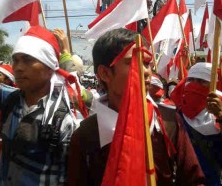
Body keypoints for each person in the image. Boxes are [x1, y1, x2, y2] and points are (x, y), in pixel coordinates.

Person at [68, 28, 205, 186]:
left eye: (147, 63)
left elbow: (193, 180)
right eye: (133, 62)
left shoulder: (166, 123)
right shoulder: (86, 135)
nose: (147, 72)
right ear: (105, 73)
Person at [0, 25, 85, 186]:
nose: (18, 67)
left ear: (50, 67)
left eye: (28, 60)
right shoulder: (11, 99)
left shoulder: (63, 121)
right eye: (15, 60)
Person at [170, 62, 222, 186]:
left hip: (214, 179)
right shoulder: (176, 114)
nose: (194, 85)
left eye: (201, 81)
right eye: (191, 80)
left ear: (212, 85)